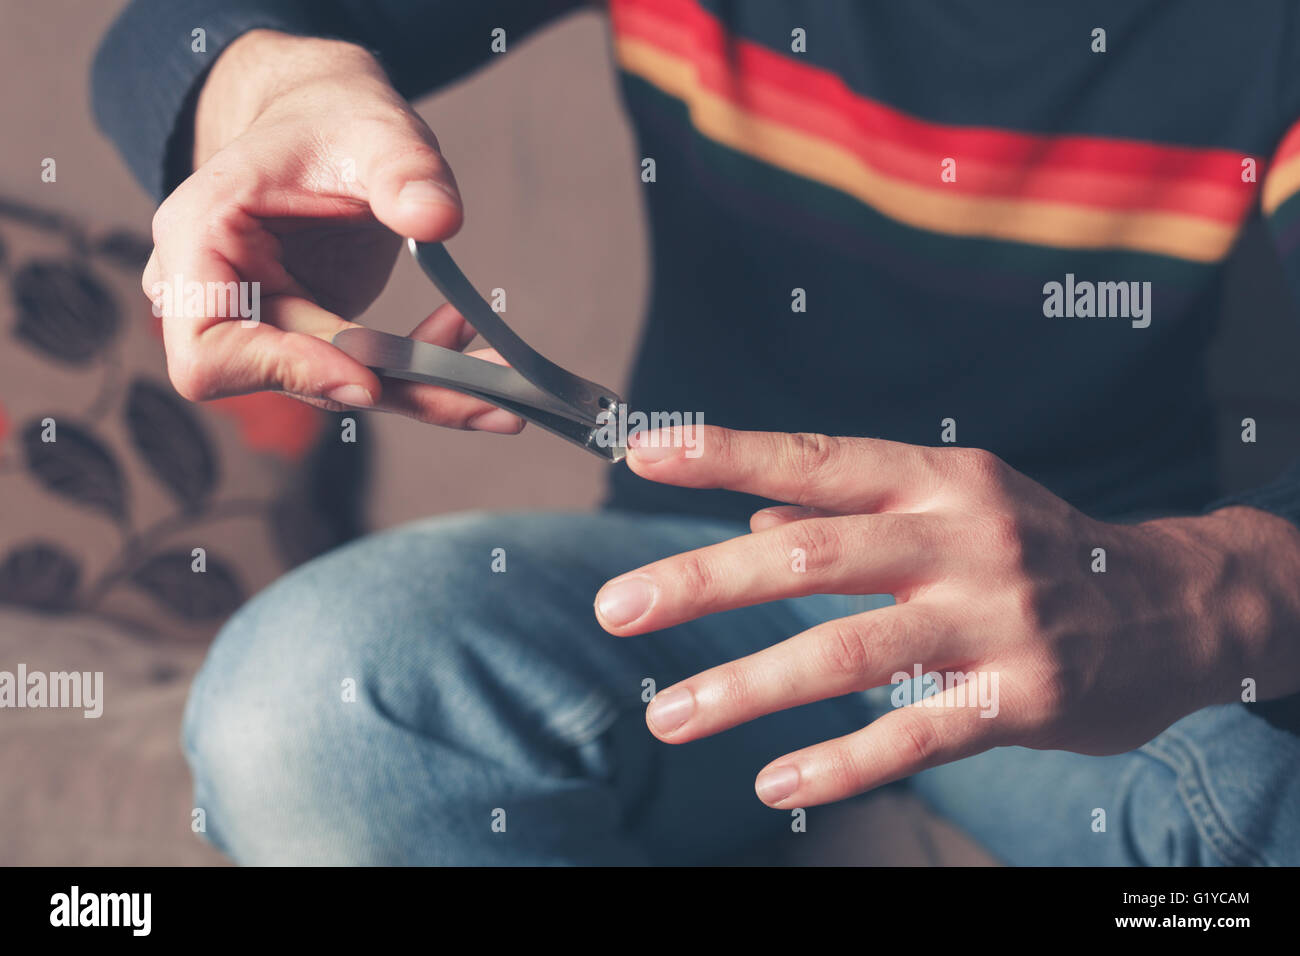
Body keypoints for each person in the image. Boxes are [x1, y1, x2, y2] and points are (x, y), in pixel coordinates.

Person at [93, 0, 1300, 865]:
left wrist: (1206, 595)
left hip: (1110, 611)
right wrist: (273, 97)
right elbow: (173, 32)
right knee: (309, 705)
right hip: (688, 565)